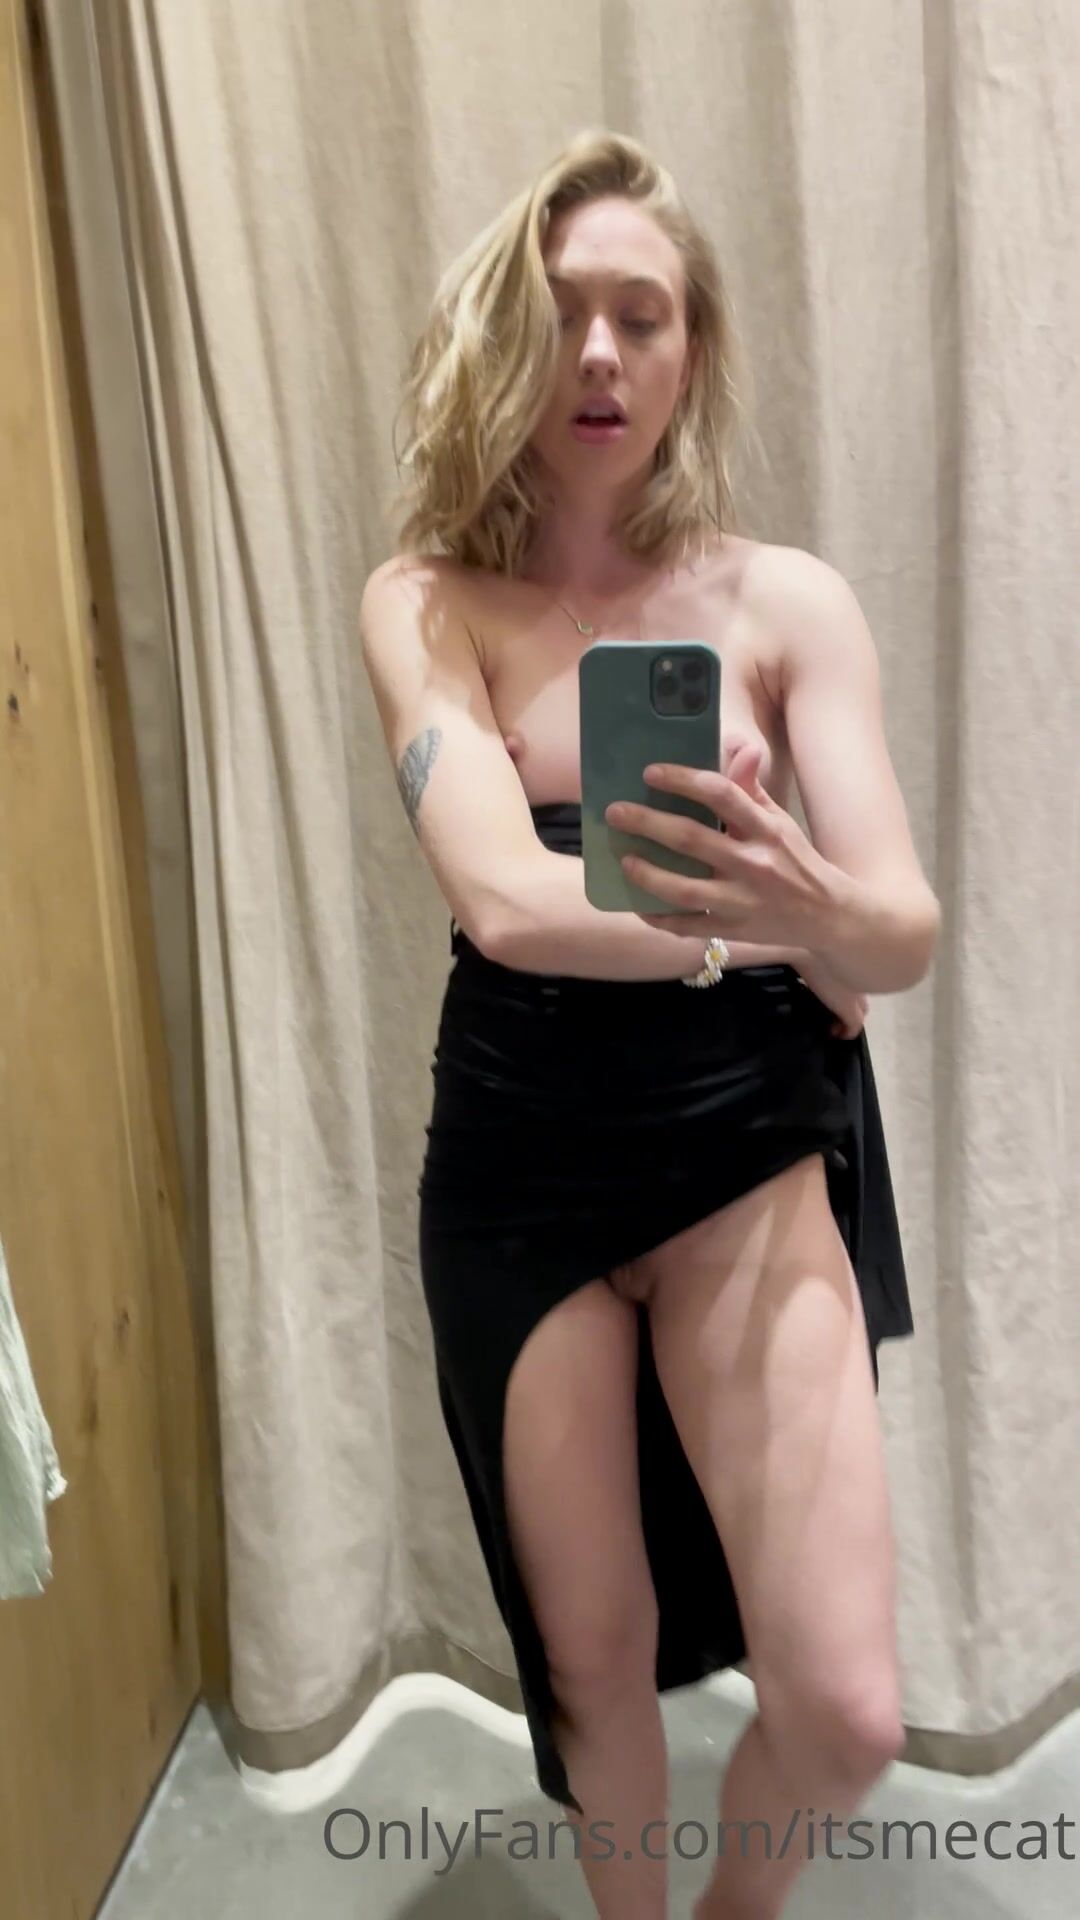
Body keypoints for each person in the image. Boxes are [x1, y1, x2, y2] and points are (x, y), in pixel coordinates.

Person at [360, 128, 940, 1920]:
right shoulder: (425, 602)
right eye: (560, 315)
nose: (599, 353)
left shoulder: (784, 603)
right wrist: (765, 932)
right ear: (504, 342)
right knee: (592, 1663)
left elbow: (902, 929)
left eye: (642, 314)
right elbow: (503, 903)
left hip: (739, 1154)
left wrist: (812, 905)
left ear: (694, 351)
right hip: (518, 1170)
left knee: (842, 1708)